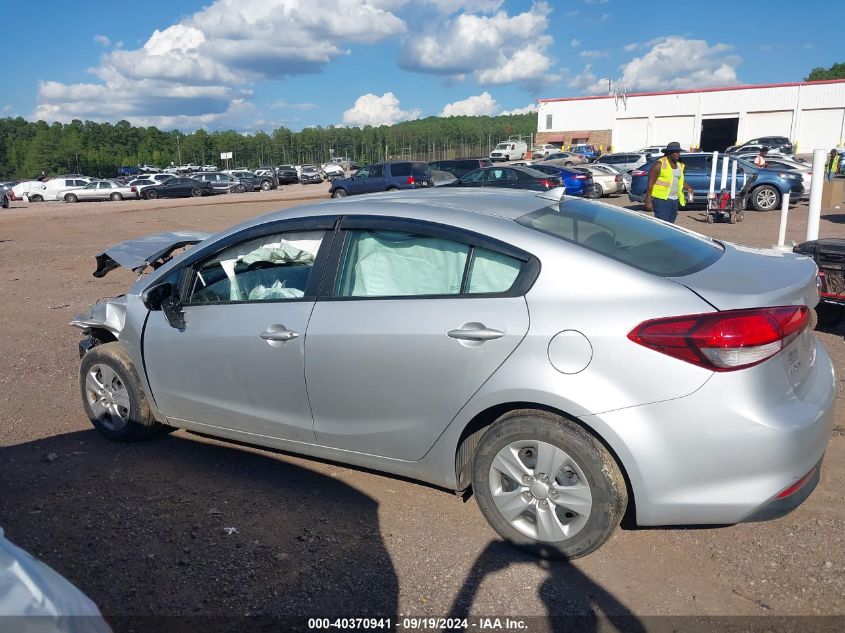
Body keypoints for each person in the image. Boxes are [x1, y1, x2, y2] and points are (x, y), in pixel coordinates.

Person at [643, 141, 695, 223]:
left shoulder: (680, 165)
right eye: (676, 152)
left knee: (671, 223)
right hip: (661, 200)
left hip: (674, 200)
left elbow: (680, 181)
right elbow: (650, 184)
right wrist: (648, 201)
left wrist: (689, 188)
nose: (678, 154)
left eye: (679, 152)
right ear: (669, 153)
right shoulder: (659, 164)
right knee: (663, 224)